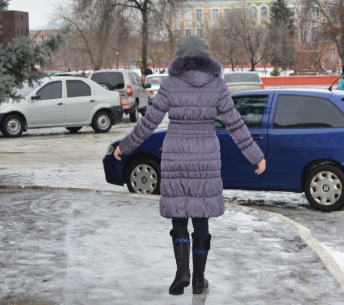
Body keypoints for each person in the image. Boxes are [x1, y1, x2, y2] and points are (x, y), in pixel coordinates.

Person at [113, 35, 266, 296]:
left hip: (175, 154)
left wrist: (124, 146)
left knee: (180, 214)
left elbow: (148, 122)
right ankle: (198, 279)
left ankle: (182, 270)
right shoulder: (217, 85)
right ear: (206, 58)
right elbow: (235, 123)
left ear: (181, 58)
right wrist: (256, 155)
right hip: (206, 155)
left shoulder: (170, 84)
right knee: (201, 216)